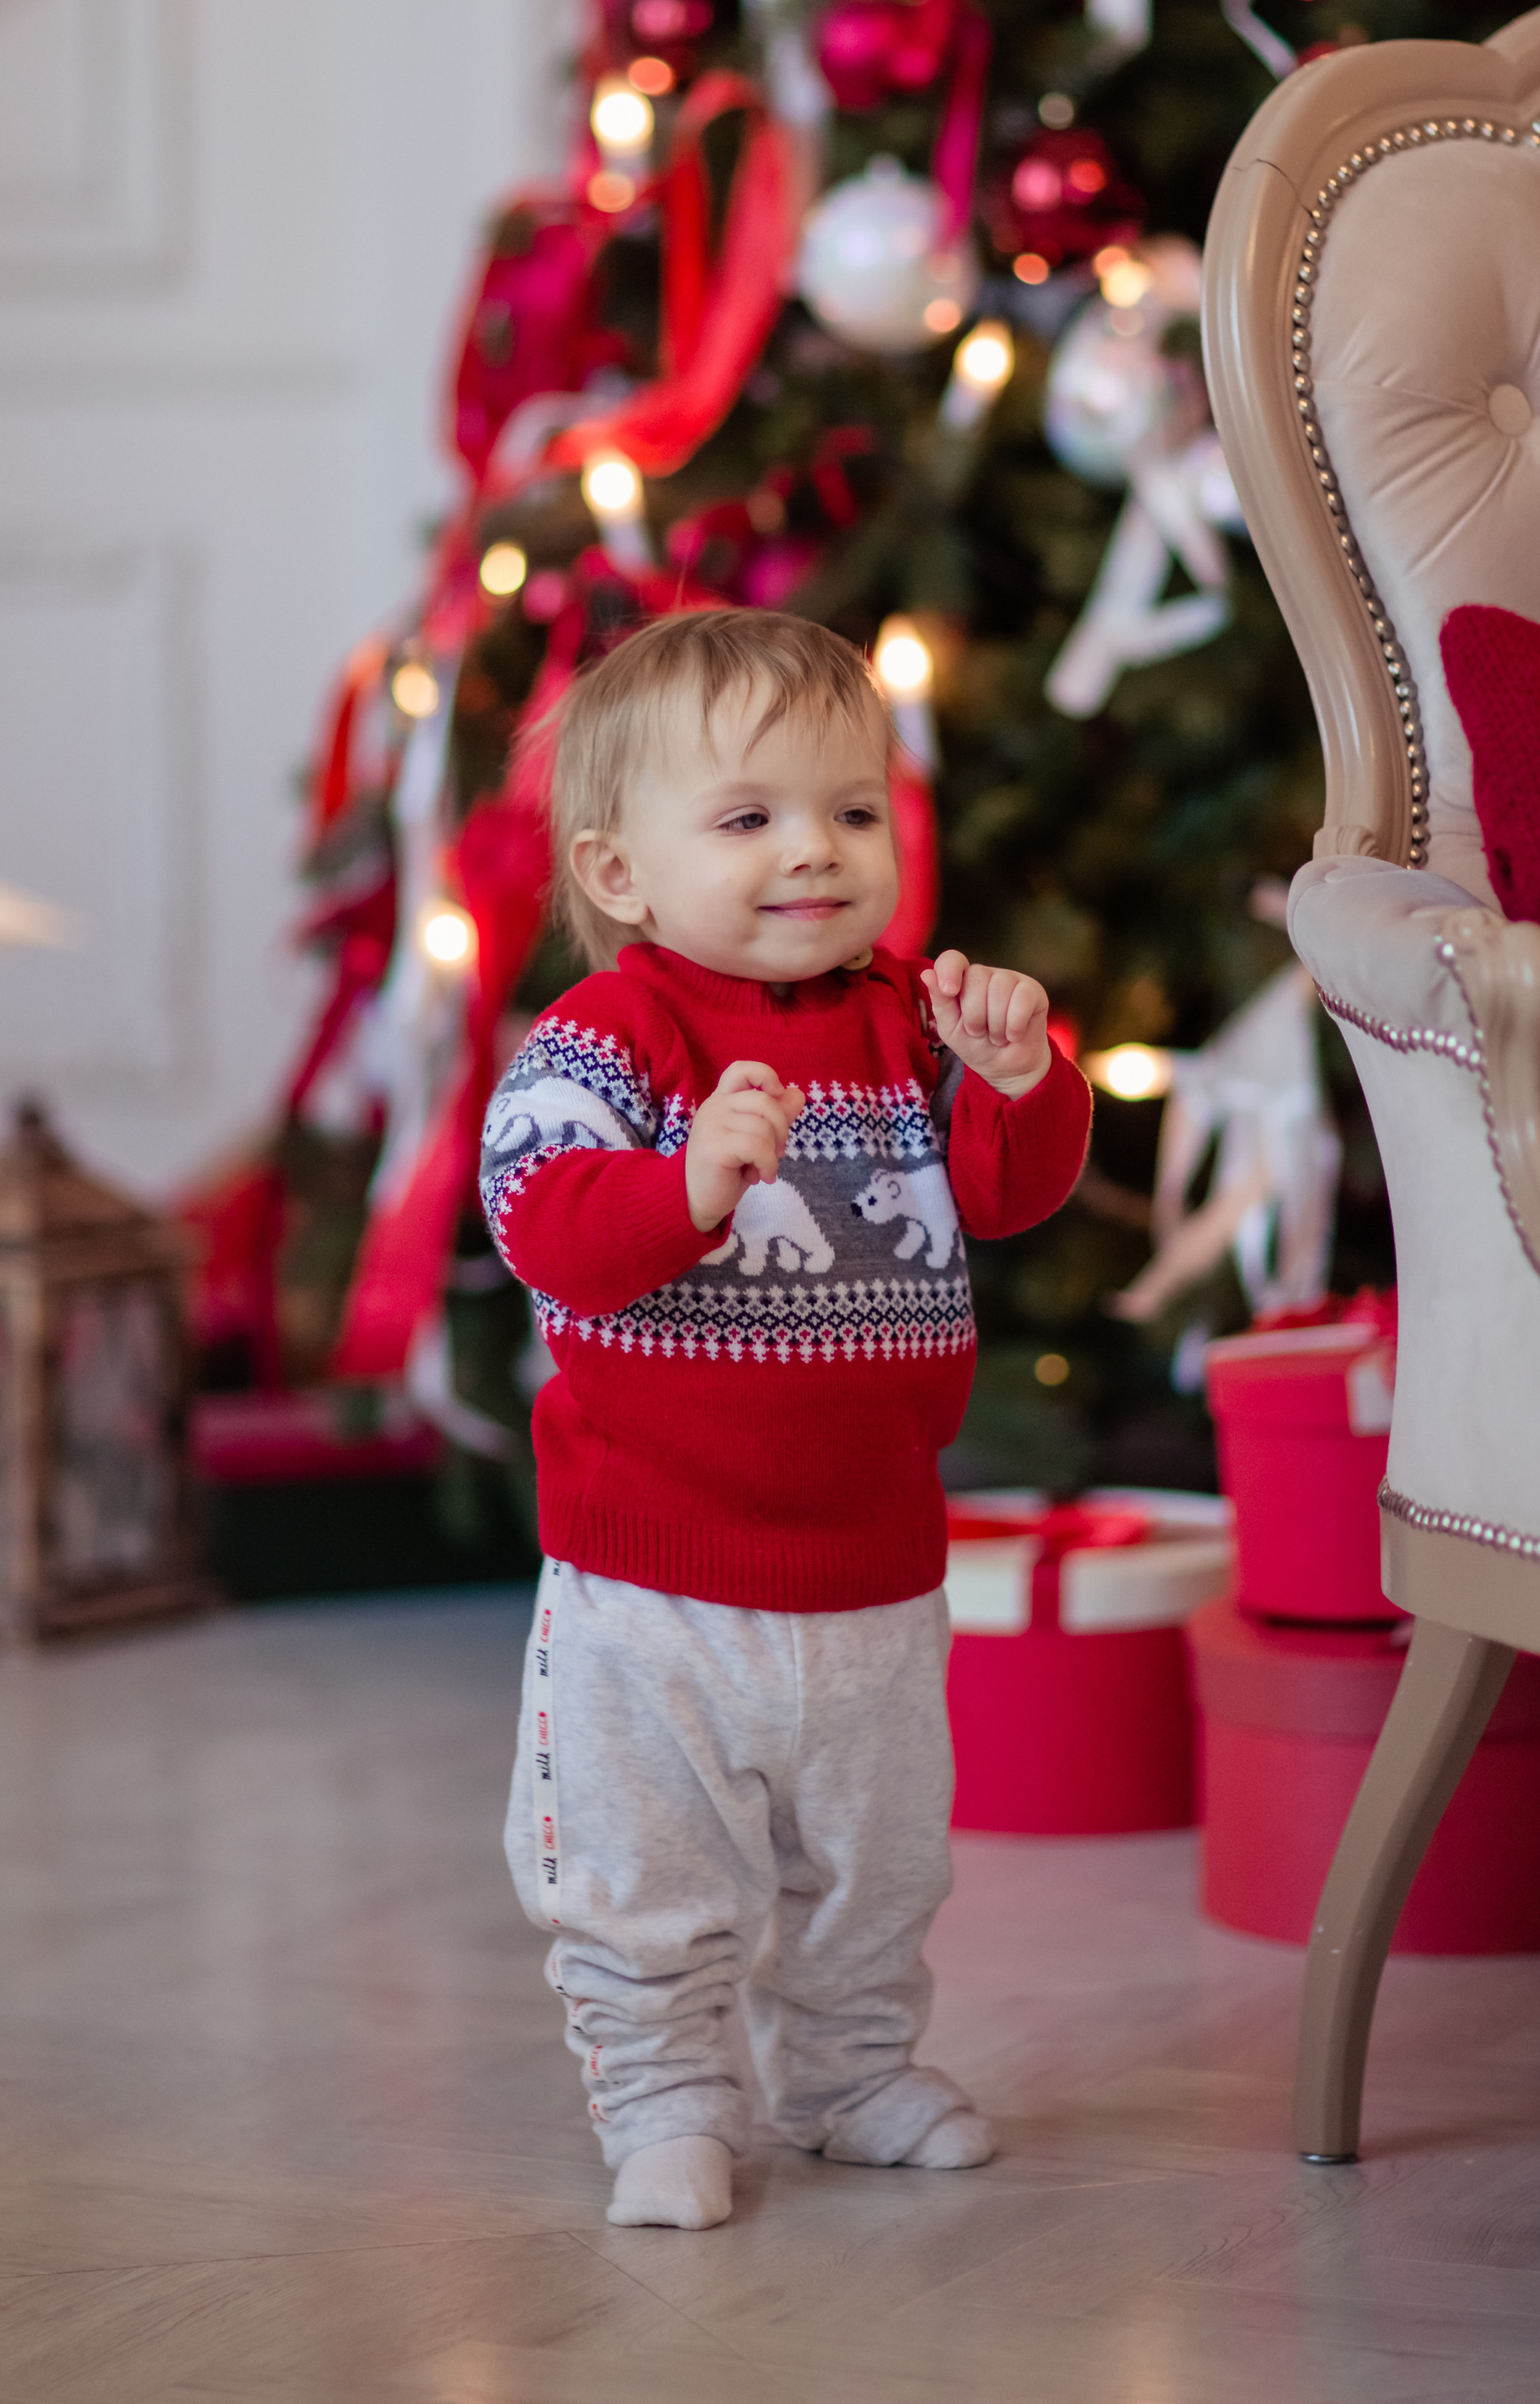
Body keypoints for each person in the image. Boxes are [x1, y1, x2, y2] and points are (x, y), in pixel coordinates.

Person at [482, 608, 1092, 2229]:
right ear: (620, 875)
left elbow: (1003, 1197)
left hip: (874, 1568)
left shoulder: (901, 1021)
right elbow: (546, 1227)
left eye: (851, 810)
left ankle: (847, 2073)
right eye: (747, 818)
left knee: (874, 1867)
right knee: (642, 1873)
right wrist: (684, 1186)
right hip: (652, 1585)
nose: (812, 853)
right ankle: (665, 2090)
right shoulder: (607, 1042)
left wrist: (1019, 1081)